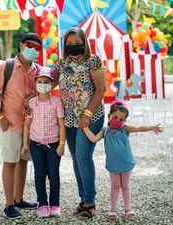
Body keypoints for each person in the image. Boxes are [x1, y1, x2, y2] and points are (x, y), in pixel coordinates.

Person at [0, 32, 42, 220]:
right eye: (30, 45)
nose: (33, 49)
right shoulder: (7, 67)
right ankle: (9, 204)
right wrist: (0, 117)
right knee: (10, 162)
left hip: (30, 126)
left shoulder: (39, 71)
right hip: (9, 123)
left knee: (23, 161)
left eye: (37, 48)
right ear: (21, 45)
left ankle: (19, 199)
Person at [52, 27, 106, 218]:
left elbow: (101, 89)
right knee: (76, 159)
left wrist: (88, 113)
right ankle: (83, 199)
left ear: (84, 43)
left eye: (77, 43)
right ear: (65, 45)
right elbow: (47, 84)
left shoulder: (93, 62)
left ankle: (90, 203)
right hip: (69, 119)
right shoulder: (60, 64)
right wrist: (31, 98)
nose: (74, 46)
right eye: (70, 44)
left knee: (83, 156)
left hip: (91, 117)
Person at [83, 101, 163, 219]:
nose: (118, 120)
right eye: (115, 117)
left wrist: (151, 127)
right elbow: (94, 139)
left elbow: (138, 128)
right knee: (115, 186)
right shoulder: (105, 131)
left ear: (124, 121)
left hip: (126, 163)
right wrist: (85, 128)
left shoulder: (125, 129)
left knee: (125, 186)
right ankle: (113, 209)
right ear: (110, 116)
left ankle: (128, 208)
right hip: (113, 165)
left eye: (121, 119)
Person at [21, 66, 66, 218]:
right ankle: (42, 204)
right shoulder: (32, 103)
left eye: (46, 81)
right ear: (35, 84)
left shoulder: (57, 102)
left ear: (51, 84)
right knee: (39, 174)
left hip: (53, 144)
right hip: (36, 144)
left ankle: (54, 204)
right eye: (39, 81)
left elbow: (61, 124)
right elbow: (27, 124)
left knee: (53, 174)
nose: (43, 84)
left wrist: (61, 144)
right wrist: (25, 144)